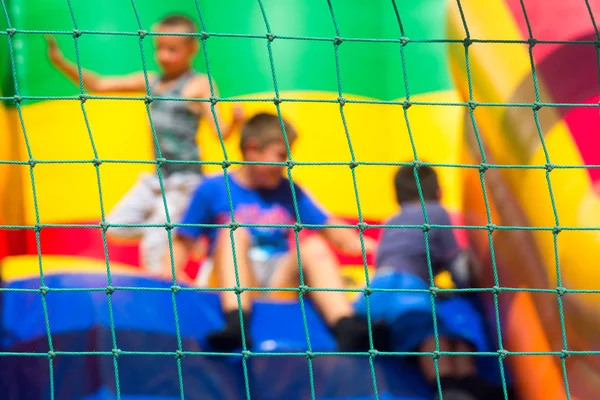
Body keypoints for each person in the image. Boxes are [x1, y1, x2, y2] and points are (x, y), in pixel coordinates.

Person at [165, 112, 389, 352]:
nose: (286, 163)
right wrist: (170, 278)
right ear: (252, 149)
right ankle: (235, 323)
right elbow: (184, 239)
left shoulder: (289, 190)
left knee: (314, 246)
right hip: (231, 278)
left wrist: (368, 245)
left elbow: (330, 228)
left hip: (275, 281)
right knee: (235, 232)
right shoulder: (214, 188)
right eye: (281, 155)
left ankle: (346, 327)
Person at [46, 14, 244, 272]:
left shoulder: (199, 85)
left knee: (154, 244)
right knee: (115, 227)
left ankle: (164, 283)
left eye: (172, 50)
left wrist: (235, 122)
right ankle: (187, 229)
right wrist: (61, 62)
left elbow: (219, 132)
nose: (163, 55)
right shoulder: (152, 81)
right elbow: (98, 84)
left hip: (184, 181)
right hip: (156, 179)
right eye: (159, 48)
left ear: (191, 49)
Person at [354, 165, 500, 400]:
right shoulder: (437, 212)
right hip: (405, 288)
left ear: (397, 196)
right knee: (432, 334)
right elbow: (458, 268)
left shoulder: (392, 220)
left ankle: (380, 330)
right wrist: (470, 286)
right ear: (440, 191)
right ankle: (448, 385)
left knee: (434, 327)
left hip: (372, 291)